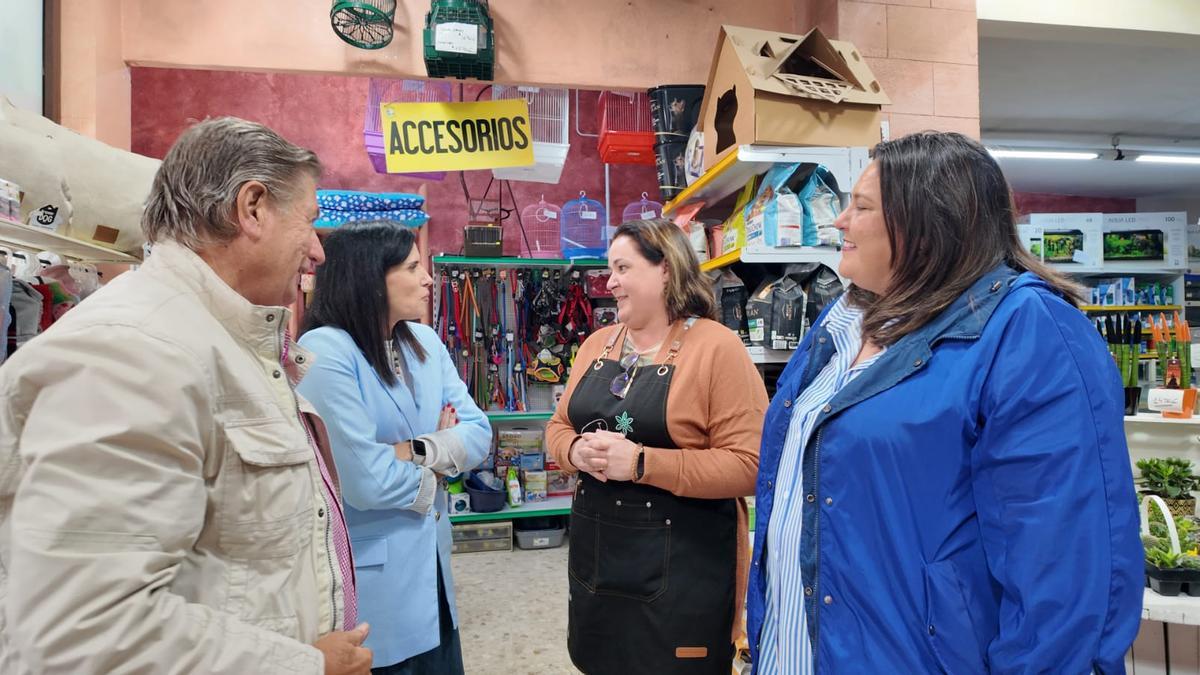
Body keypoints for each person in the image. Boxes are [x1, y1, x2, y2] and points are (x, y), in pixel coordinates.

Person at [748, 132, 1142, 673]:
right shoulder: (839, 322)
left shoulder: (1027, 331)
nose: (839, 222)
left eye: (860, 207)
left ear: (927, 221)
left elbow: (1063, 570)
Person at [0, 117, 373, 674]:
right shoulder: (132, 353)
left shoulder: (216, 340)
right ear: (251, 208)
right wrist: (304, 665)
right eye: (310, 223)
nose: (317, 252)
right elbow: (81, 634)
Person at [545, 218, 767, 674]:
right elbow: (558, 425)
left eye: (622, 267)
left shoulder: (716, 349)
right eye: (610, 269)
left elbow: (751, 465)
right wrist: (573, 453)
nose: (611, 282)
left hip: (684, 577)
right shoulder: (596, 346)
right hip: (597, 569)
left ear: (665, 268)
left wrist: (643, 463)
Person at [296, 221, 491, 674]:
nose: (427, 279)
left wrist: (411, 449)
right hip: (375, 588)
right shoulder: (326, 350)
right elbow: (366, 482)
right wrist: (444, 458)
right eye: (412, 267)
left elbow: (479, 433)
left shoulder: (423, 340)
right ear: (369, 276)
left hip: (434, 572)